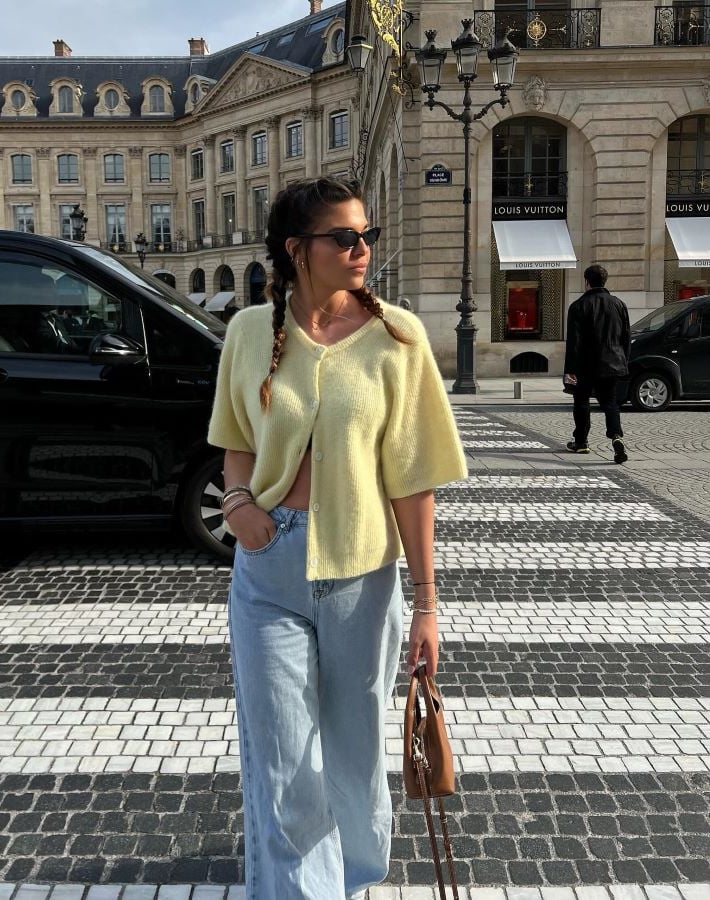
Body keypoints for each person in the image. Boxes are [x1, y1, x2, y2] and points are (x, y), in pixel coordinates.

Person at [206, 177, 467, 900]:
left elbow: (414, 478)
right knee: (285, 759)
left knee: (354, 754)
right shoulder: (249, 333)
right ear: (297, 250)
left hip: (362, 573)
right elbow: (234, 439)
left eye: (367, 235)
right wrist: (237, 504)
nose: (362, 249)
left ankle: (354, 874)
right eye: (344, 237)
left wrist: (427, 604)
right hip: (269, 568)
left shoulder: (397, 338)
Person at [563, 263, 630, 463]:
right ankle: (616, 436)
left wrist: (570, 370)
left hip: (585, 364)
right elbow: (626, 337)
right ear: (604, 281)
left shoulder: (578, 306)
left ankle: (581, 442)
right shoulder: (619, 304)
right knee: (610, 402)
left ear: (586, 282)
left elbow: (574, 342)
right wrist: (624, 361)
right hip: (612, 362)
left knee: (581, 401)